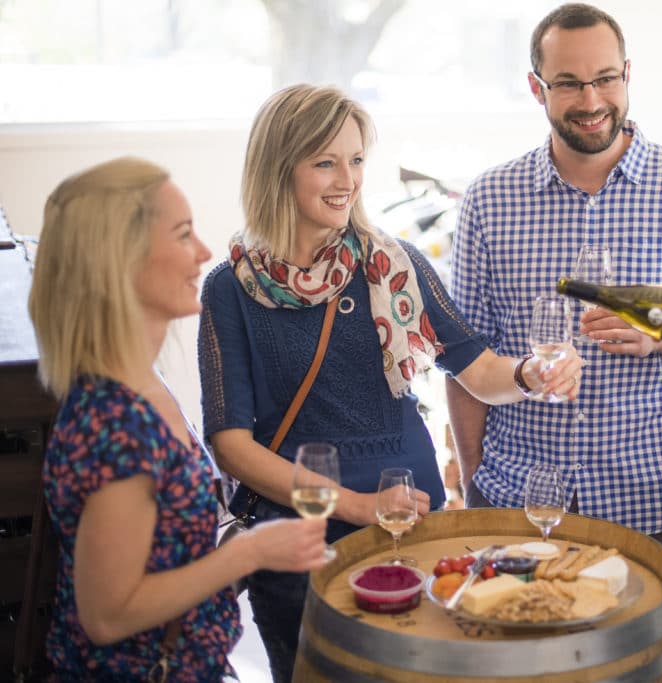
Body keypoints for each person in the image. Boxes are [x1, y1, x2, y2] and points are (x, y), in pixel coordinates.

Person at [198, 83, 583, 683]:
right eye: (325, 162)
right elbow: (231, 444)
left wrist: (530, 374)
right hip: (297, 540)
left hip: (408, 517)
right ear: (278, 170)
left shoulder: (393, 264)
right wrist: (354, 506)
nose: (346, 180)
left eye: (355, 160)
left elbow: (477, 369)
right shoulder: (230, 288)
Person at [446, 2, 662, 572]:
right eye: (568, 83)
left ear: (627, 76)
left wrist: (660, 335)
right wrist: (473, 485)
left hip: (643, 502)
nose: (591, 102)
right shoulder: (490, 200)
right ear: (537, 89)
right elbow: (465, 360)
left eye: (605, 79)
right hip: (516, 498)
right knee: (516, 660)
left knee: (633, 664)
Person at [27, 157, 328, 682]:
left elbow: (165, 557)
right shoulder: (115, 423)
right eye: (183, 234)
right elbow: (107, 615)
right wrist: (249, 552)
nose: (205, 251)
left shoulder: (144, 383)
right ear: (120, 258)